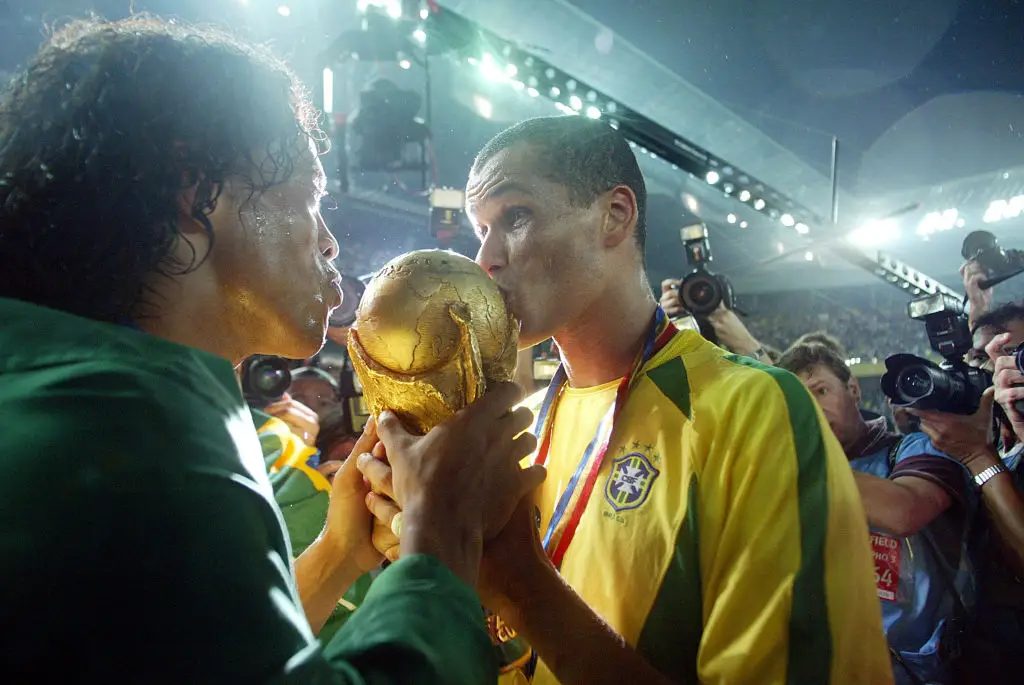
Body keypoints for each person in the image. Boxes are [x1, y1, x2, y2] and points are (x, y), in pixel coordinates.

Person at [0, 16, 542, 682]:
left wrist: (341, 549)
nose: (329, 243)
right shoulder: (134, 435)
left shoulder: (67, 397)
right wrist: (440, 547)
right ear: (196, 193)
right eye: (311, 196)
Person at [362, 116, 891, 684]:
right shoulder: (521, 421)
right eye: (480, 230)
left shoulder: (754, 406)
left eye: (516, 217)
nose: (485, 259)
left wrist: (515, 580)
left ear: (615, 215)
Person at [776, 342, 972, 684]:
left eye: (820, 391)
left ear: (853, 389)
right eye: (798, 401)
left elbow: (905, 511)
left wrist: (793, 459)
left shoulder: (911, 448)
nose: (813, 409)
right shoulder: (794, 475)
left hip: (919, 671)